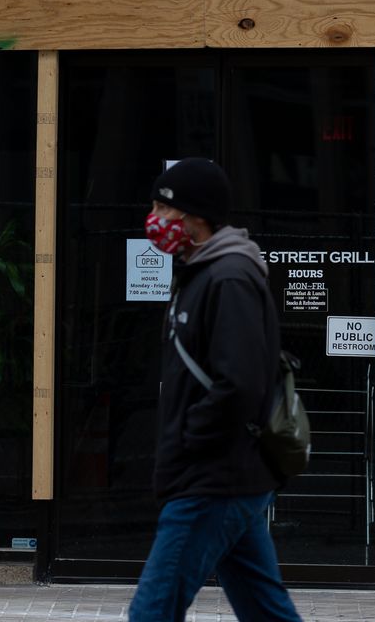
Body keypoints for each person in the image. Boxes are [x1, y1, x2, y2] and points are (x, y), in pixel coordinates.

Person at [128, 157, 304, 622]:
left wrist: (190, 438)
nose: (154, 219)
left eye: (161, 208)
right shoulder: (201, 273)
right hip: (224, 474)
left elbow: (240, 383)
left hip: (211, 479)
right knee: (266, 611)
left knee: (152, 613)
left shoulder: (229, 278)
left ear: (195, 217)